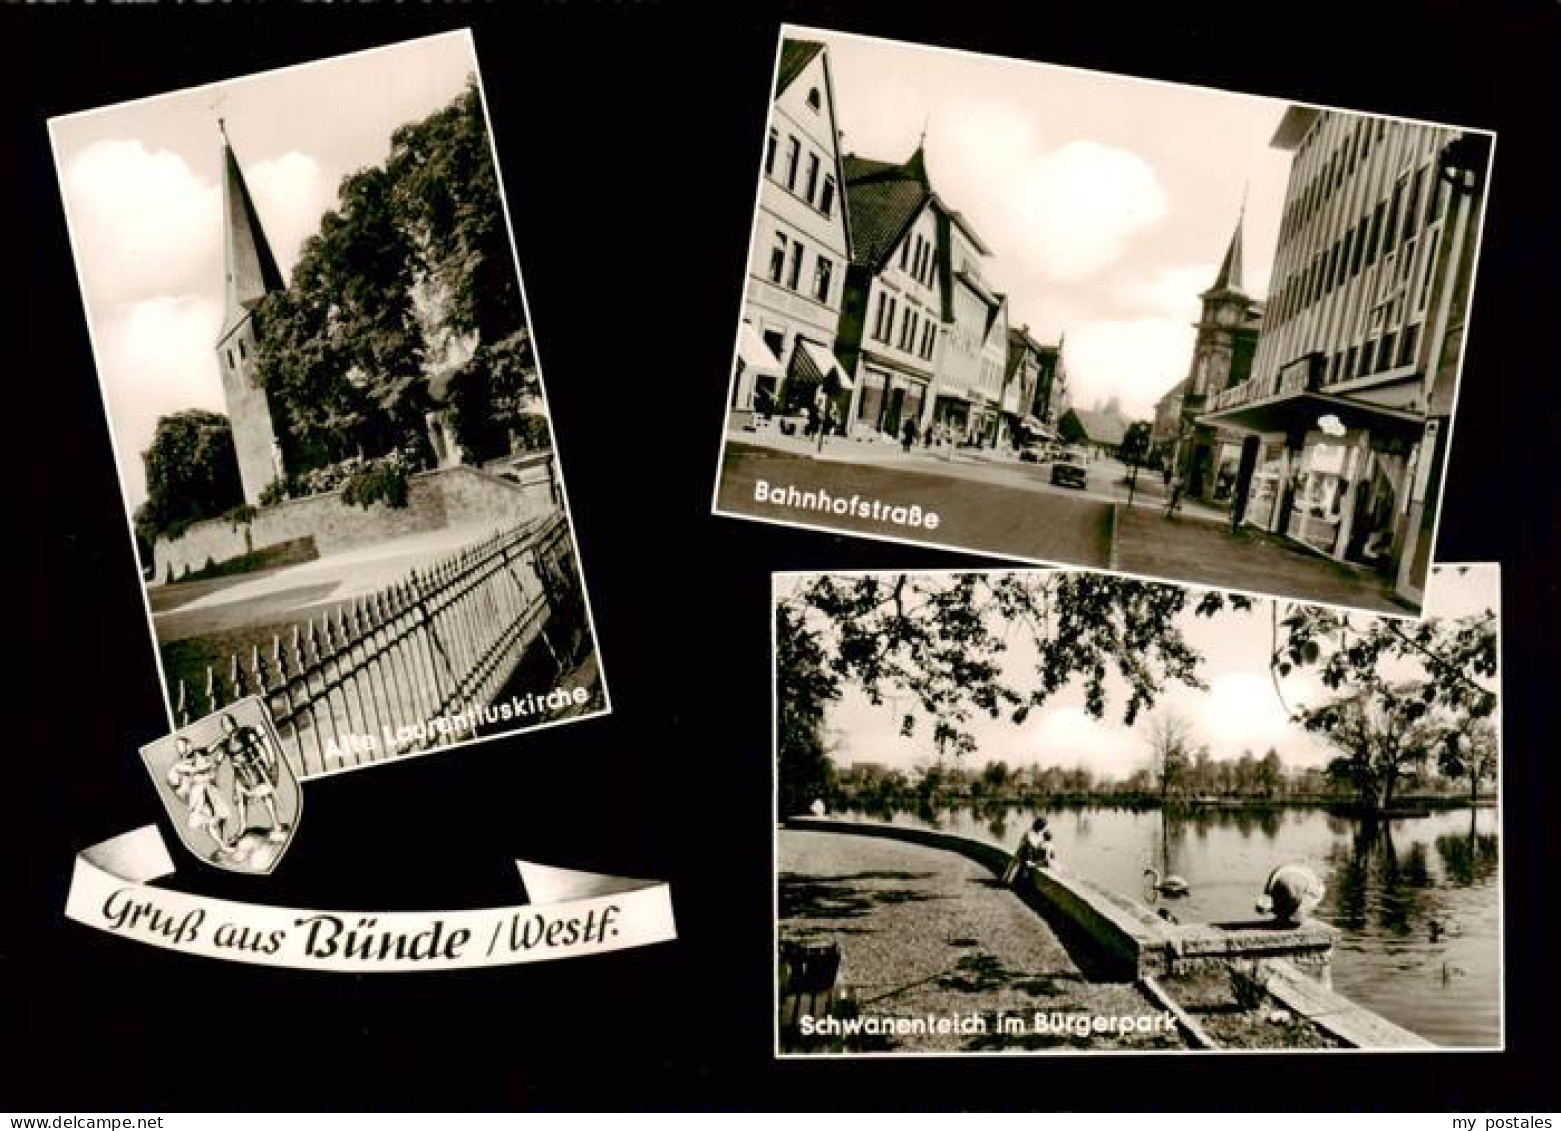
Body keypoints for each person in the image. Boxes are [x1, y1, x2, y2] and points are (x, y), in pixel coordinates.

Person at [216, 713, 287, 841]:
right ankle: (242, 827)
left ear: (233, 722)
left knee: (265, 794)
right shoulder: (226, 742)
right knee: (240, 799)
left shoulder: (245, 731)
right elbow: (219, 758)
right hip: (240, 775)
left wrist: (267, 763)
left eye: (228, 723)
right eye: (224, 725)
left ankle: (276, 823)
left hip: (253, 769)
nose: (227, 726)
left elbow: (259, 746)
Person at [165, 735, 234, 853]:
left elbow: (210, 749)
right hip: (199, 792)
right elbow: (194, 772)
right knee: (209, 820)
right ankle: (222, 845)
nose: (181, 749)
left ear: (189, 744)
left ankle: (224, 841)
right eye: (179, 747)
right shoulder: (180, 764)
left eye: (182, 745)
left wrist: (221, 739)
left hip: (210, 788)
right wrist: (213, 765)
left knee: (222, 816)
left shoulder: (197, 752)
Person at [1001, 817, 1055, 886]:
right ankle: (1007, 881)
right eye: (1043, 826)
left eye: (1044, 827)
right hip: (1022, 852)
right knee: (1014, 866)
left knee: (1019, 867)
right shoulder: (1029, 832)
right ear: (1039, 826)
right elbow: (1031, 844)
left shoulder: (1039, 834)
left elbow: (1038, 844)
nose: (1044, 828)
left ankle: (1011, 882)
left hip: (1029, 854)